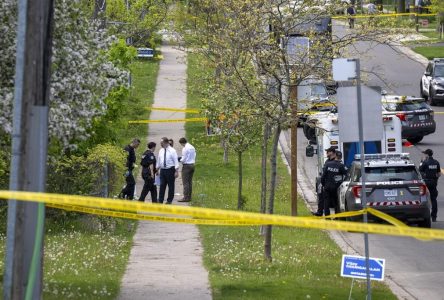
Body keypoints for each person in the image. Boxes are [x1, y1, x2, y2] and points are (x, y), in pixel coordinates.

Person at [321, 147, 347, 216]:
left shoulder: (328, 164)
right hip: (336, 187)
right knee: (336, 202)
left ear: (335, 156)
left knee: (326, 202)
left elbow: (323, 176)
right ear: (340, 158)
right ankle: (337, 216)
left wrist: (324, 184)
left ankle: (327, 217)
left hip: (327, 186)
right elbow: (346, 175)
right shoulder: (341, 166)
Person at [313, 147, 337, 216]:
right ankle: (320, 212)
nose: (326, 153)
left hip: (332, 184)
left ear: (332, 152)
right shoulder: (327, 161)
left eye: (328, 152)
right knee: (321, 198)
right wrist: (323, 183)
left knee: (334, 201)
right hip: (326, 183)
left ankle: (337, 216)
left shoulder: (335, 162)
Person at [419, 149, 441, 222]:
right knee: (433, 200)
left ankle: (423, 216)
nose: (424, 155)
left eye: (425, 154)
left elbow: (419, 171)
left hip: (426, 183)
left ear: (427, 155)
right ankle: (434, 217)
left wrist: (421, 162)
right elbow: (439, 174)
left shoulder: (425, 162)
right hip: (433, 183)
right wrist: (435, 179)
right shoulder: (436, 162)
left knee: (423, 199)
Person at [156, 137, 179, 204]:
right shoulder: (161, 150)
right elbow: (159, 160)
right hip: (163, 170)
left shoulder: (172, 151)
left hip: (170, 170)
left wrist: (176, 171)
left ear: (166, 143)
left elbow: (176, 161)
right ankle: (160, 200)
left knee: (171, 186)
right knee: (162, 185)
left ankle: (169, 200)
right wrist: (157, 169)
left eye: (161, 143)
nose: (160, 144)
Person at [178, 137, 196, 202]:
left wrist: (179, 160)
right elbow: (194, 155)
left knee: (185, 182)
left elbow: (184, 158)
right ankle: (189, 196)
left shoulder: (185, 148)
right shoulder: (192, 147)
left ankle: (185, 197)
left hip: (186, 166)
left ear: (182, 143)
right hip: (192, 165)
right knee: (189, 182)